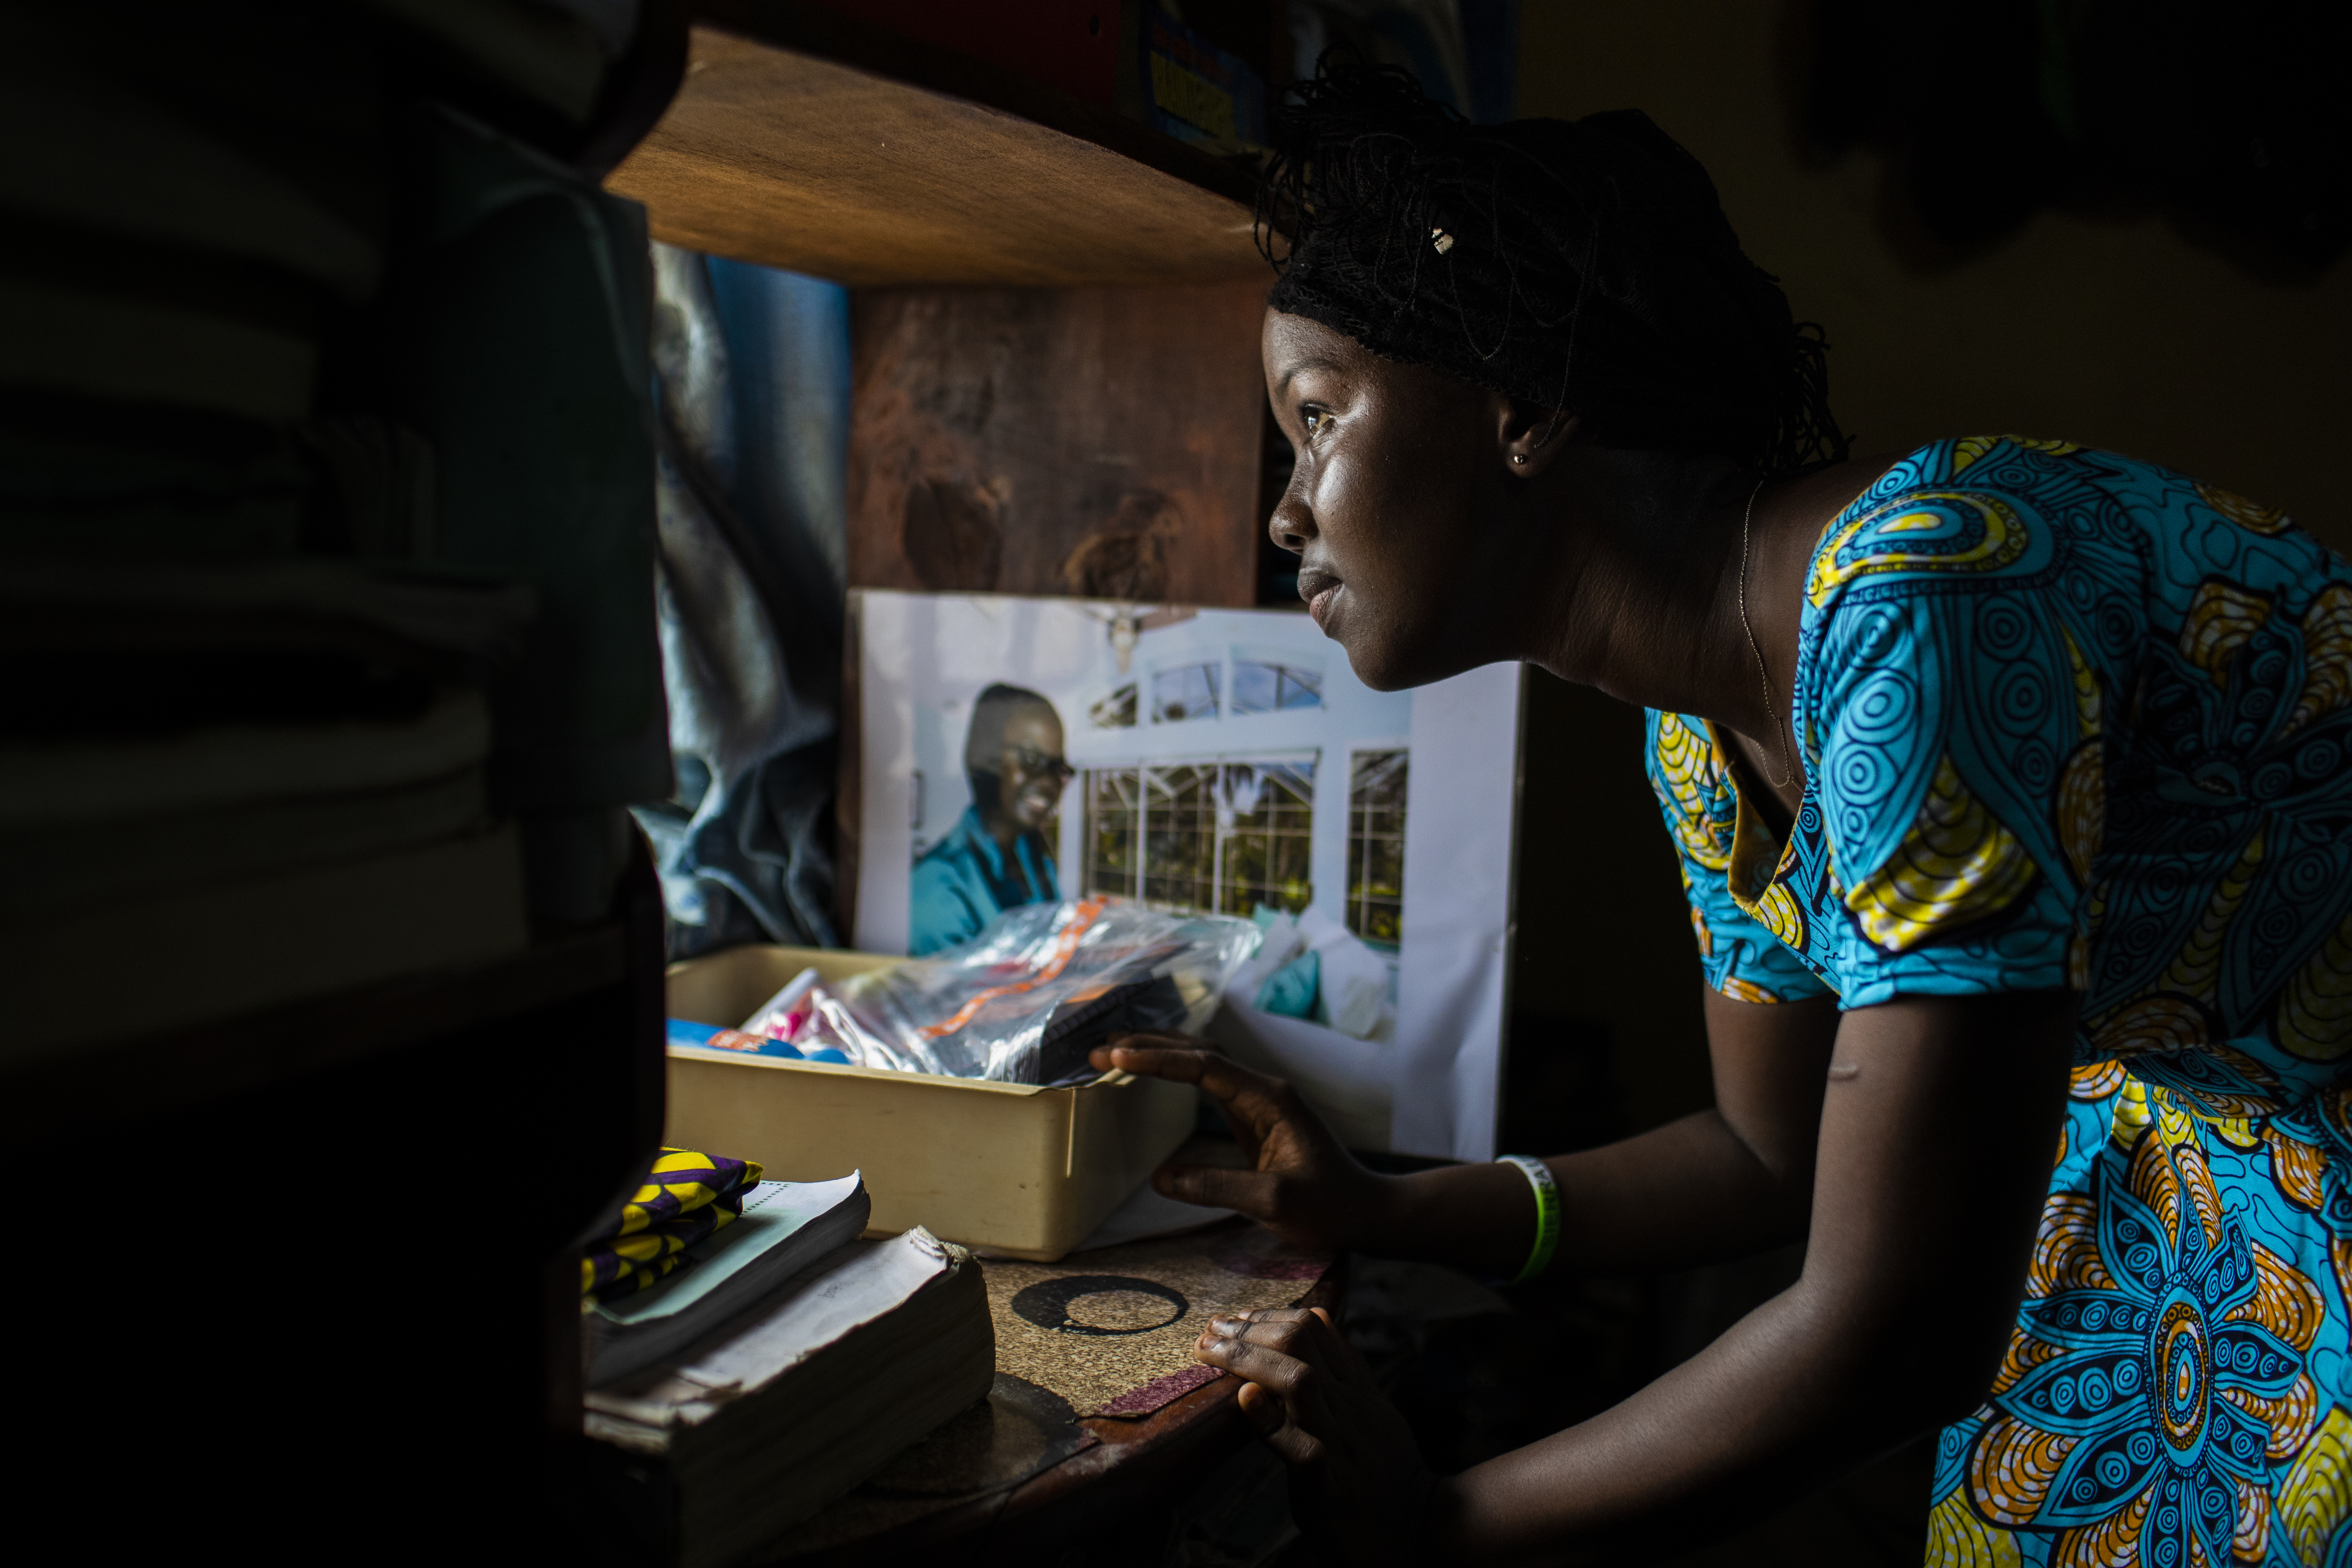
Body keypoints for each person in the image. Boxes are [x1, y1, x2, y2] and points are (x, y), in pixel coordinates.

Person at [1090, 57, 2352, 1568]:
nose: (1285, 509)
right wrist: (1387, 1209)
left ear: (1521, 408)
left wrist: (1440, 1521)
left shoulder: (1926, 593)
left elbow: (1895, 1331)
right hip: (2192, 1162)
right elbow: (1760, 1154)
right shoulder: (1697, 734)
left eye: (1314, 417)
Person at [908, 683, 1072, 955]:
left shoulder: (1037, 861)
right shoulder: (940, 889)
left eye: (1059, 769)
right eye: (1031, 759)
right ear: (984, 758)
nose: (1050, 783)